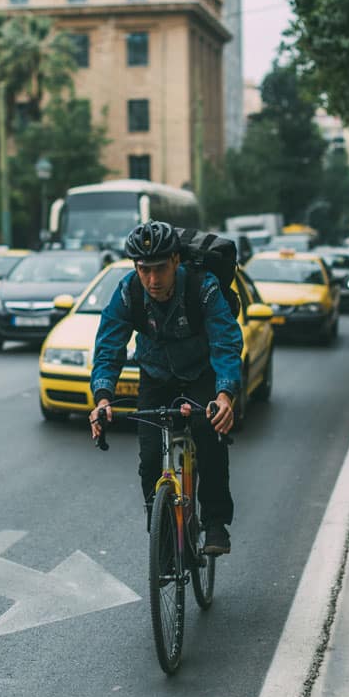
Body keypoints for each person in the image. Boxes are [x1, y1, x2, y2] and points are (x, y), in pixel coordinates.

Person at [89, 220, 243, 555]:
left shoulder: (203, 286)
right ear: (135, 267)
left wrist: (224, 394)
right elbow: (108, 346)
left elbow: (225, 342)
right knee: (148, 460)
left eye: (160, 268)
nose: (153, 280)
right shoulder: (129, 291)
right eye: (145, 270)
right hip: (155, 375)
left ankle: (216, 522)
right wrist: (102, 398)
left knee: (209, 433)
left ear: (176, 260)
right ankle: (161, 531)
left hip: (201, 373)